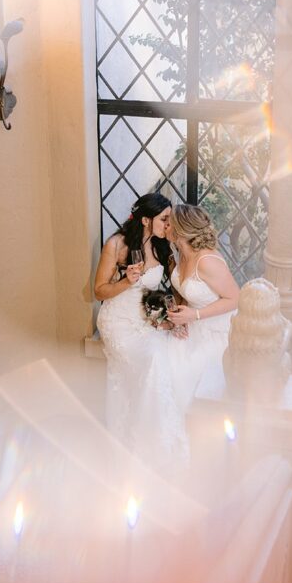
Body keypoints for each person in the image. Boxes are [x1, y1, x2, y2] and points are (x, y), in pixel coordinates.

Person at [94, 193, 184, 469]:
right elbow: (98, 291)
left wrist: (174, 316)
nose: (168, 224)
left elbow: (176, 286)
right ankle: (139, 442)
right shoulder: (116, 244)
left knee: (168, 355)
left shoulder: (160, 246)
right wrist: (125, 281)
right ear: (146, 220)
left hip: (143, 319)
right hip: (117, 321)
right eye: (164, 219)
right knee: (153, 362)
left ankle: (149, 437)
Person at [165, 203, 239, 412]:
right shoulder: (181, 254)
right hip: (193, 324)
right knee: (166, 361)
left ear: (180, 230)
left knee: (187, 373)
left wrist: (194, 315)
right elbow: (190, 293)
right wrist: (181, 316)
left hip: (215, 330)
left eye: (169, 223)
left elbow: (235, 298)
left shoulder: (207, 261)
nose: (166, 227)